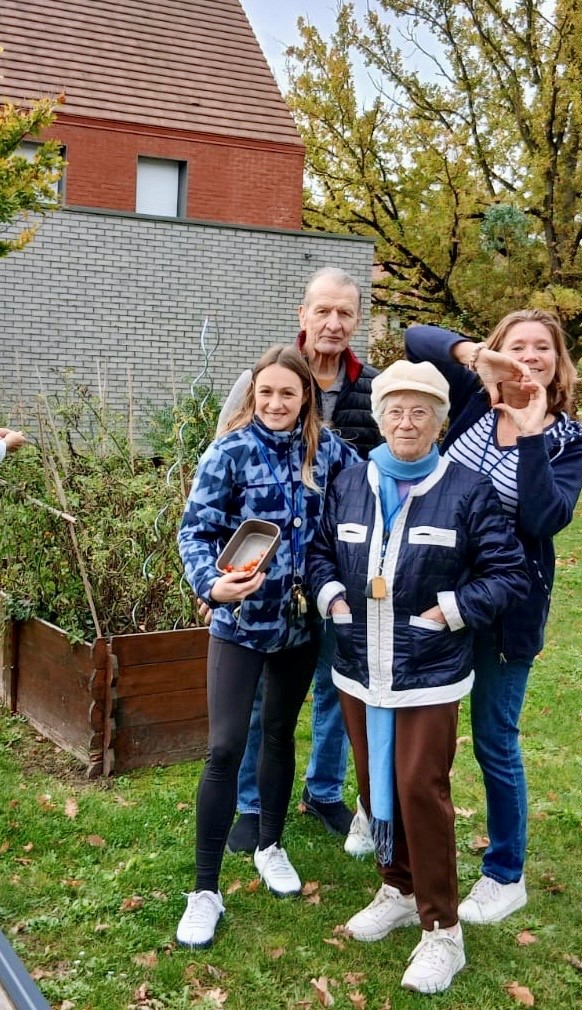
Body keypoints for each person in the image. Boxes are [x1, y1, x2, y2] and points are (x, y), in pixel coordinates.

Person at [308, 360, 529, 994]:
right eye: (396, 412)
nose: (407, 423)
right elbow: (320, 551)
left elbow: (507, 574)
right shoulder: (350, 482)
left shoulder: (466, 490)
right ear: (380, 420)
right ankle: (398, 888)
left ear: (439, 423)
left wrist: (450, 611)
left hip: (428, 670)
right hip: (359, 667)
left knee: (417, 788)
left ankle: (442, 930)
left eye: (421, 413)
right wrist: (330, 596)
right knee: (375, 785)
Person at [405, 310, 582, 925]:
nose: (530, 357)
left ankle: (506, 873)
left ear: (558, 362)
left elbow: (543, 519)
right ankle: (397, 840)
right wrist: (472, 355)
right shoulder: (472, 400)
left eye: (543, 348)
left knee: (493, 740)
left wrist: (531, 436)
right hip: (434, 596)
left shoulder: (566, 440)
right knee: (417, 731)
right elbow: (416, 339)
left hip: (506, 613)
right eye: (518, 345)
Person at [176, 344, 360, 950]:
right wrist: (211, 584)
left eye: (288, 393)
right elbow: (195, 530)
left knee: (280, 734)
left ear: (306, 396)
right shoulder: (229, 452)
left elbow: (370, 489)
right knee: (225, 748)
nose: (276, 403)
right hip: (239, 625)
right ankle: (205, 891)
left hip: (300, 627)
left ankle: (270, 844)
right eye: (266, 393)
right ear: (253, 396)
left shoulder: (328, 452)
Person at [217, 267, 381, 857]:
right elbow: (222, 469)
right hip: (266, 575)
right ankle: (251, 804)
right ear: (303, 314)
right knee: (263, 697)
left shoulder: (373, 388)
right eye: (323, 311)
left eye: (345, 313)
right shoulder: (263, 378)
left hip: (340, 569)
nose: (334, 323)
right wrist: (219, 574)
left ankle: (323, 790)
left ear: (356, 320)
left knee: (338, 685)